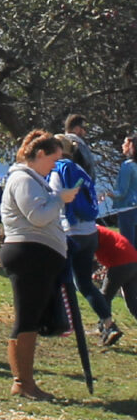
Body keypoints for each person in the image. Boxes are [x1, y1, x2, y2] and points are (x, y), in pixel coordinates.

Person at [0, 130, 78, 400]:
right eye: (53, 160)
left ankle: (26, 381)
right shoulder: (23, 179)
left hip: (38, 256)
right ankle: (22, 382)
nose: (55, 166)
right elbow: (38, 216)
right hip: (28, 255)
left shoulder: (34, 180)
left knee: (31, 318)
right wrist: (60, 199)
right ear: (40, 154)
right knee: (26, 318)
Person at [48, 135, 119, 345]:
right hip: (90, 232)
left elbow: (56, 198)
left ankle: (61, 322)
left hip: (71, 231)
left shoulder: (59, 169)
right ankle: (108, 324)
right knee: (85, 284)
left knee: (59, 279)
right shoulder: (80, 170)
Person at [95, 225, 134, 340]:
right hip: (132, 261)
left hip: (120, 263)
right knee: (132, 302)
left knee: (104, 297)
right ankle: (103, 326)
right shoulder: (100, 231)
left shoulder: (92, 231)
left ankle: (106, 328)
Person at [112, 134, 137, 248]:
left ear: (131, 146)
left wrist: (108, 194)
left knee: (128, 245)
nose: (122, 145)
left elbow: (122, 192)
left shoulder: (127, 166)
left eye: (125, 143)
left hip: (127, 209)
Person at [63, 114, 96, 180]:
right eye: (84, 128)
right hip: (79, 186)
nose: (85, 132)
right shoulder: (77, 145)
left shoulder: (59, 143)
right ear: (76, 129)